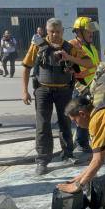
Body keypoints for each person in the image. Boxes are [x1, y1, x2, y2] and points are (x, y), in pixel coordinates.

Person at [22, 18, 89, 175]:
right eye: (52, 31)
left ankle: (68, 154)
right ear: (47, 31)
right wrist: (24, 91)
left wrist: (69, 58)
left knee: (65, 122)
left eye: (58, 31)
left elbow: (88, 63)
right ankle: (42, 160)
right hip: (43, 91)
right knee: (43, 125)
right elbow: (25, 67)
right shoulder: (37, 46)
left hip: (64, 91)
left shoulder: (69, 47)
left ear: (62, 31)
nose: (55, 34)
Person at [68, 16, 101, 152]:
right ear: (79, 32)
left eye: (91, 31)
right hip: (80, 87)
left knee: (90, 115)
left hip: (92, 86)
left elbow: (95, 65)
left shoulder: (91, 47)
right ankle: (81, 144)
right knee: (82, 117)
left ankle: (85, 141)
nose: (91, 33)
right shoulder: (72, 45)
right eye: (88, 31)